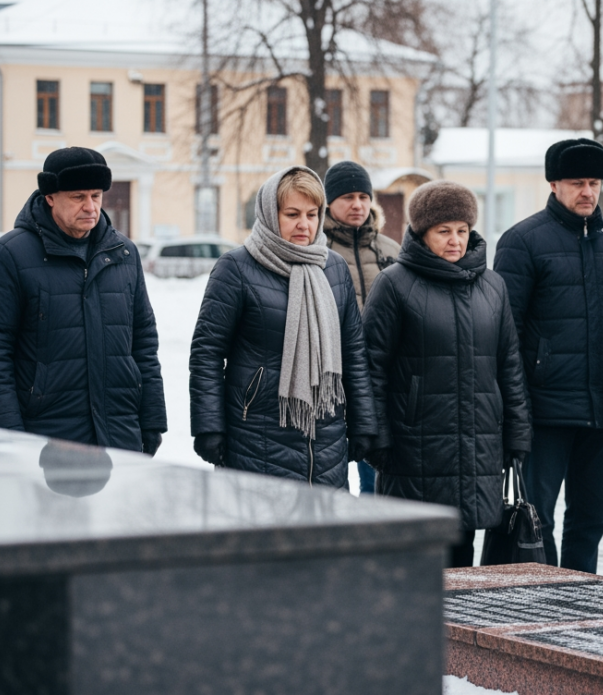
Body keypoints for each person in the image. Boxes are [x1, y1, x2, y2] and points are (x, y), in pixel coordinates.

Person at [362, 181, 532, 567]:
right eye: (444, 231)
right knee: (415, 560)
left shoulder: (492, 286)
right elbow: (372, 367)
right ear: (423, 232)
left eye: (462, 230)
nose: (455, 240)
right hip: (414, 447)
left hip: (478, 446)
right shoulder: (394, 284)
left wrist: (517, 434)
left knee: (462, 559)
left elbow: (509, 365)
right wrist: (376, 440)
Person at [0, 147, 166, 454]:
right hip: (45, 439)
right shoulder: (9, 255)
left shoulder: (124, 253)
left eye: (96, 196)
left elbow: (143, 342)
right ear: (50, 197)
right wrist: (9, 438)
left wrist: (152, 420)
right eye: (78, 197)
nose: (90, 207)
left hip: (119, 434)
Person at [493, 139, 603, 573]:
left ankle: (580, 592)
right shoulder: (522, 241)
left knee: (591, 518)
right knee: (539, 518)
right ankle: (546, 594)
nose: (588, 191)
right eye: (577, 183)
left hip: (599, 409)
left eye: (594, 183)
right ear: (554, 184)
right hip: (545, 409)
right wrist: (515, 407)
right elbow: (506, 332)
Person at [188, 166, 375, 487]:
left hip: (326, 437)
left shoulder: (334, 268)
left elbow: (354, 353)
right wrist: (209, 426)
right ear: (270, 214)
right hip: (256, 434)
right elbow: (207, 353)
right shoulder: (236, 268)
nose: (304, 224)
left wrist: (363, 423)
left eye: (312, 214)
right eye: (292, 214)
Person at [322, 160, 400, 495]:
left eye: (364, 197)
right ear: (329, 202)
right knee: (330, 473)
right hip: (332, 379)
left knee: (375, 475)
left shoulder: (391, 250)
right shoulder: (316, 250)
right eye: (348, 197)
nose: (357, 204)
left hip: (380, 381)